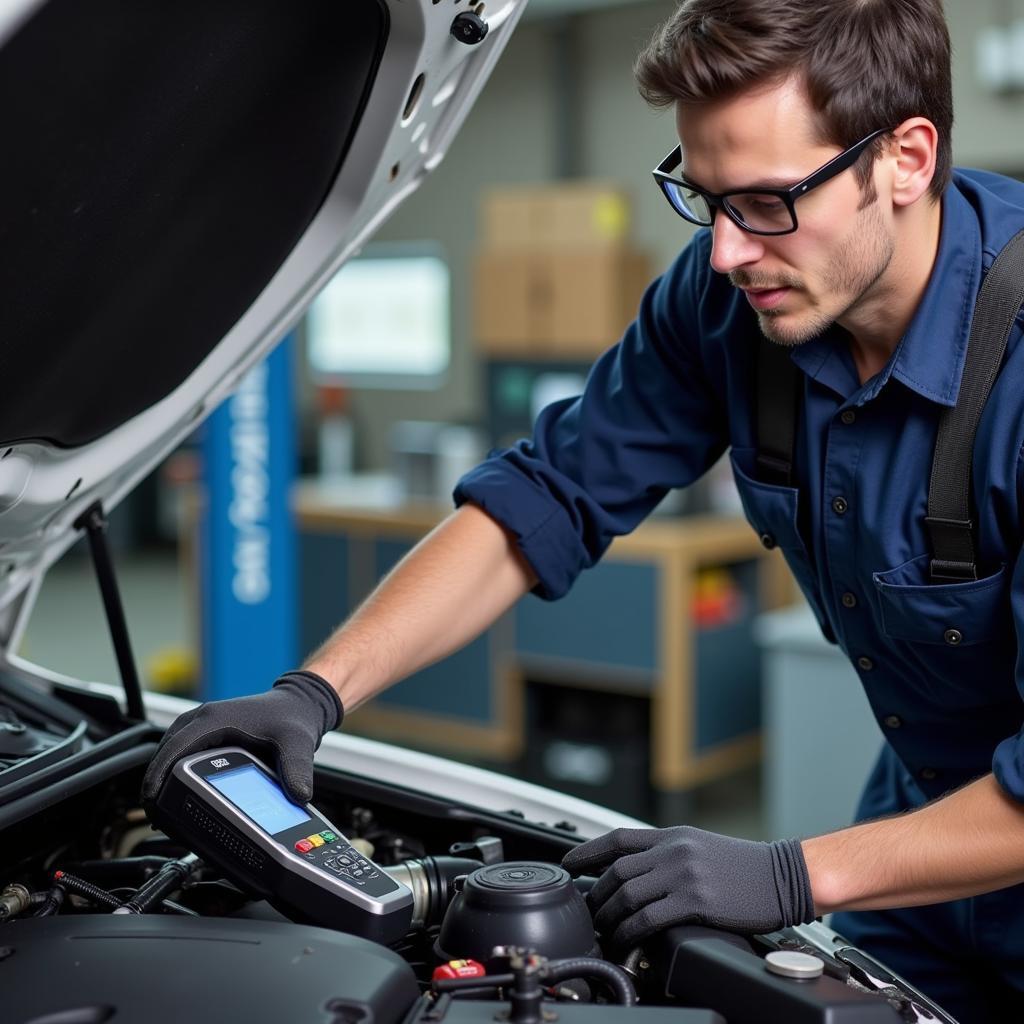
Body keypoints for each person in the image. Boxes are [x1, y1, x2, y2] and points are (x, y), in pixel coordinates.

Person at [144, 0, 1024, 1018]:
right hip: (916, 846)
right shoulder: (733, 296)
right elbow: (546, 495)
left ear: (906, 157)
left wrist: (789, 876)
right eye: (706, 200)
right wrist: (311, 694)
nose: (729, 251)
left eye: (767, 203)